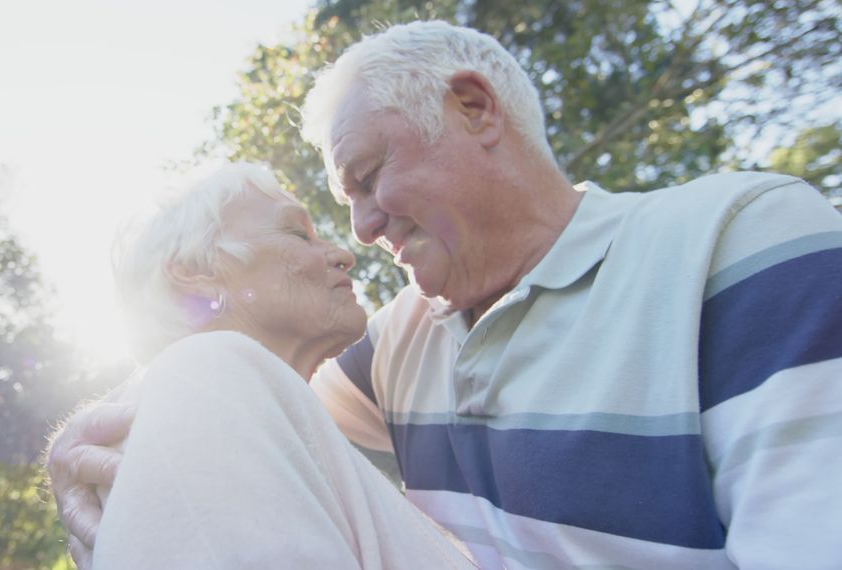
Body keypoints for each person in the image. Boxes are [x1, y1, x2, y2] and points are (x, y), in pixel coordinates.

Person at [49, 22, 842, 569]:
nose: (356, 232)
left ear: (474, 106)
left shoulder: (738, 240)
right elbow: (221, 418)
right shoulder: (398, 347)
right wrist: (89, 446)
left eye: (366, 178)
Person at [66, 163, 477, 568]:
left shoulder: (254, 407)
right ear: (196, 273)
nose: (344, 254)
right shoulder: (199, 375)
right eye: (298, 233)